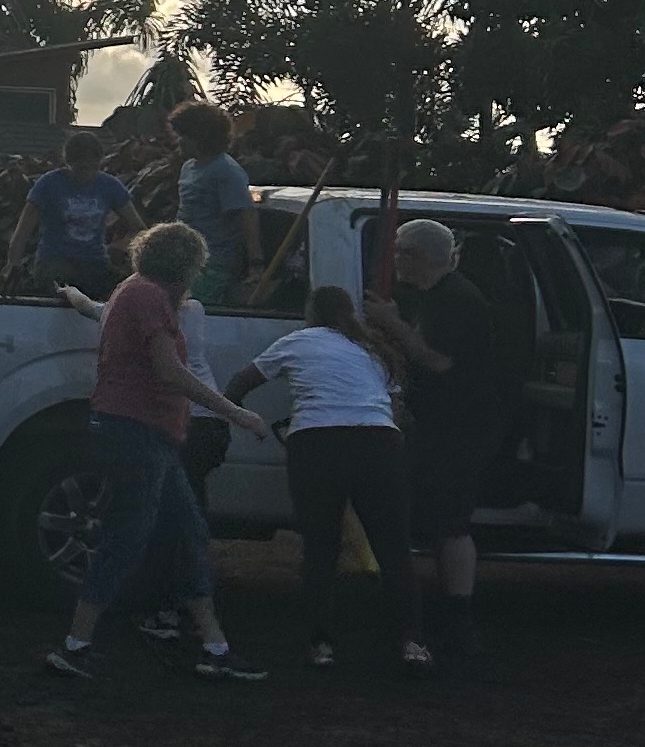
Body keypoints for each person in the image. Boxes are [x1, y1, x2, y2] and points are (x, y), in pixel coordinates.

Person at [45, 221, 273, 684]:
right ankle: (75, 645)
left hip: (143, 433)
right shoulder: (149, 298)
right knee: (129, 536)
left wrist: (73, 296)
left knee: (186, 532)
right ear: (186, 265)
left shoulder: (132, 291)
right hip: (138, 432)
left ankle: (214, 646)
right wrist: (235, 412)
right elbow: (169, 371)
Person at [229, 283, 430, 672]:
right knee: (393, 548)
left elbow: (242, 382)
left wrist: (231, 415)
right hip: (378, 443)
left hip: (316, 443)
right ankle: (413, 642)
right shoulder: (375, 350)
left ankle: (321, 644)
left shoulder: (297, 342)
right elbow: (395, 410)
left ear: (311, 314)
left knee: (320, 547)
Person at [370, 218, 506, 659]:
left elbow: (438, 361)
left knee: (452, 521)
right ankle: (444, 611)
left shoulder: (457, 300)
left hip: (460, 428)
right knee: (438, 517)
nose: (395, 261)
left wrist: (391, 324)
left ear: (420, 256)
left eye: (401, 253)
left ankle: (459, 617)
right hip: (441, 425)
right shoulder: (437, 296)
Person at [6, 127, 141, 299]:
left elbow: (138, 227)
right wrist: (13, 264)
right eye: (81, 168)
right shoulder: (49, 184)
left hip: (95, 262)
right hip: (56, 261)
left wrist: (121, 246)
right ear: (69, 163)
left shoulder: (109, 186)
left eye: (93, 167)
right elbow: (23, 229)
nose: (87, 174)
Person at [171, 100, 260, 307]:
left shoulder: (226, 171)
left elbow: (247, 216)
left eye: (184, 136)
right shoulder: (188, 168)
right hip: (186, 259)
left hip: (215, 264)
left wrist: (256, 264)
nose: (179, 142)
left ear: (201, 138)